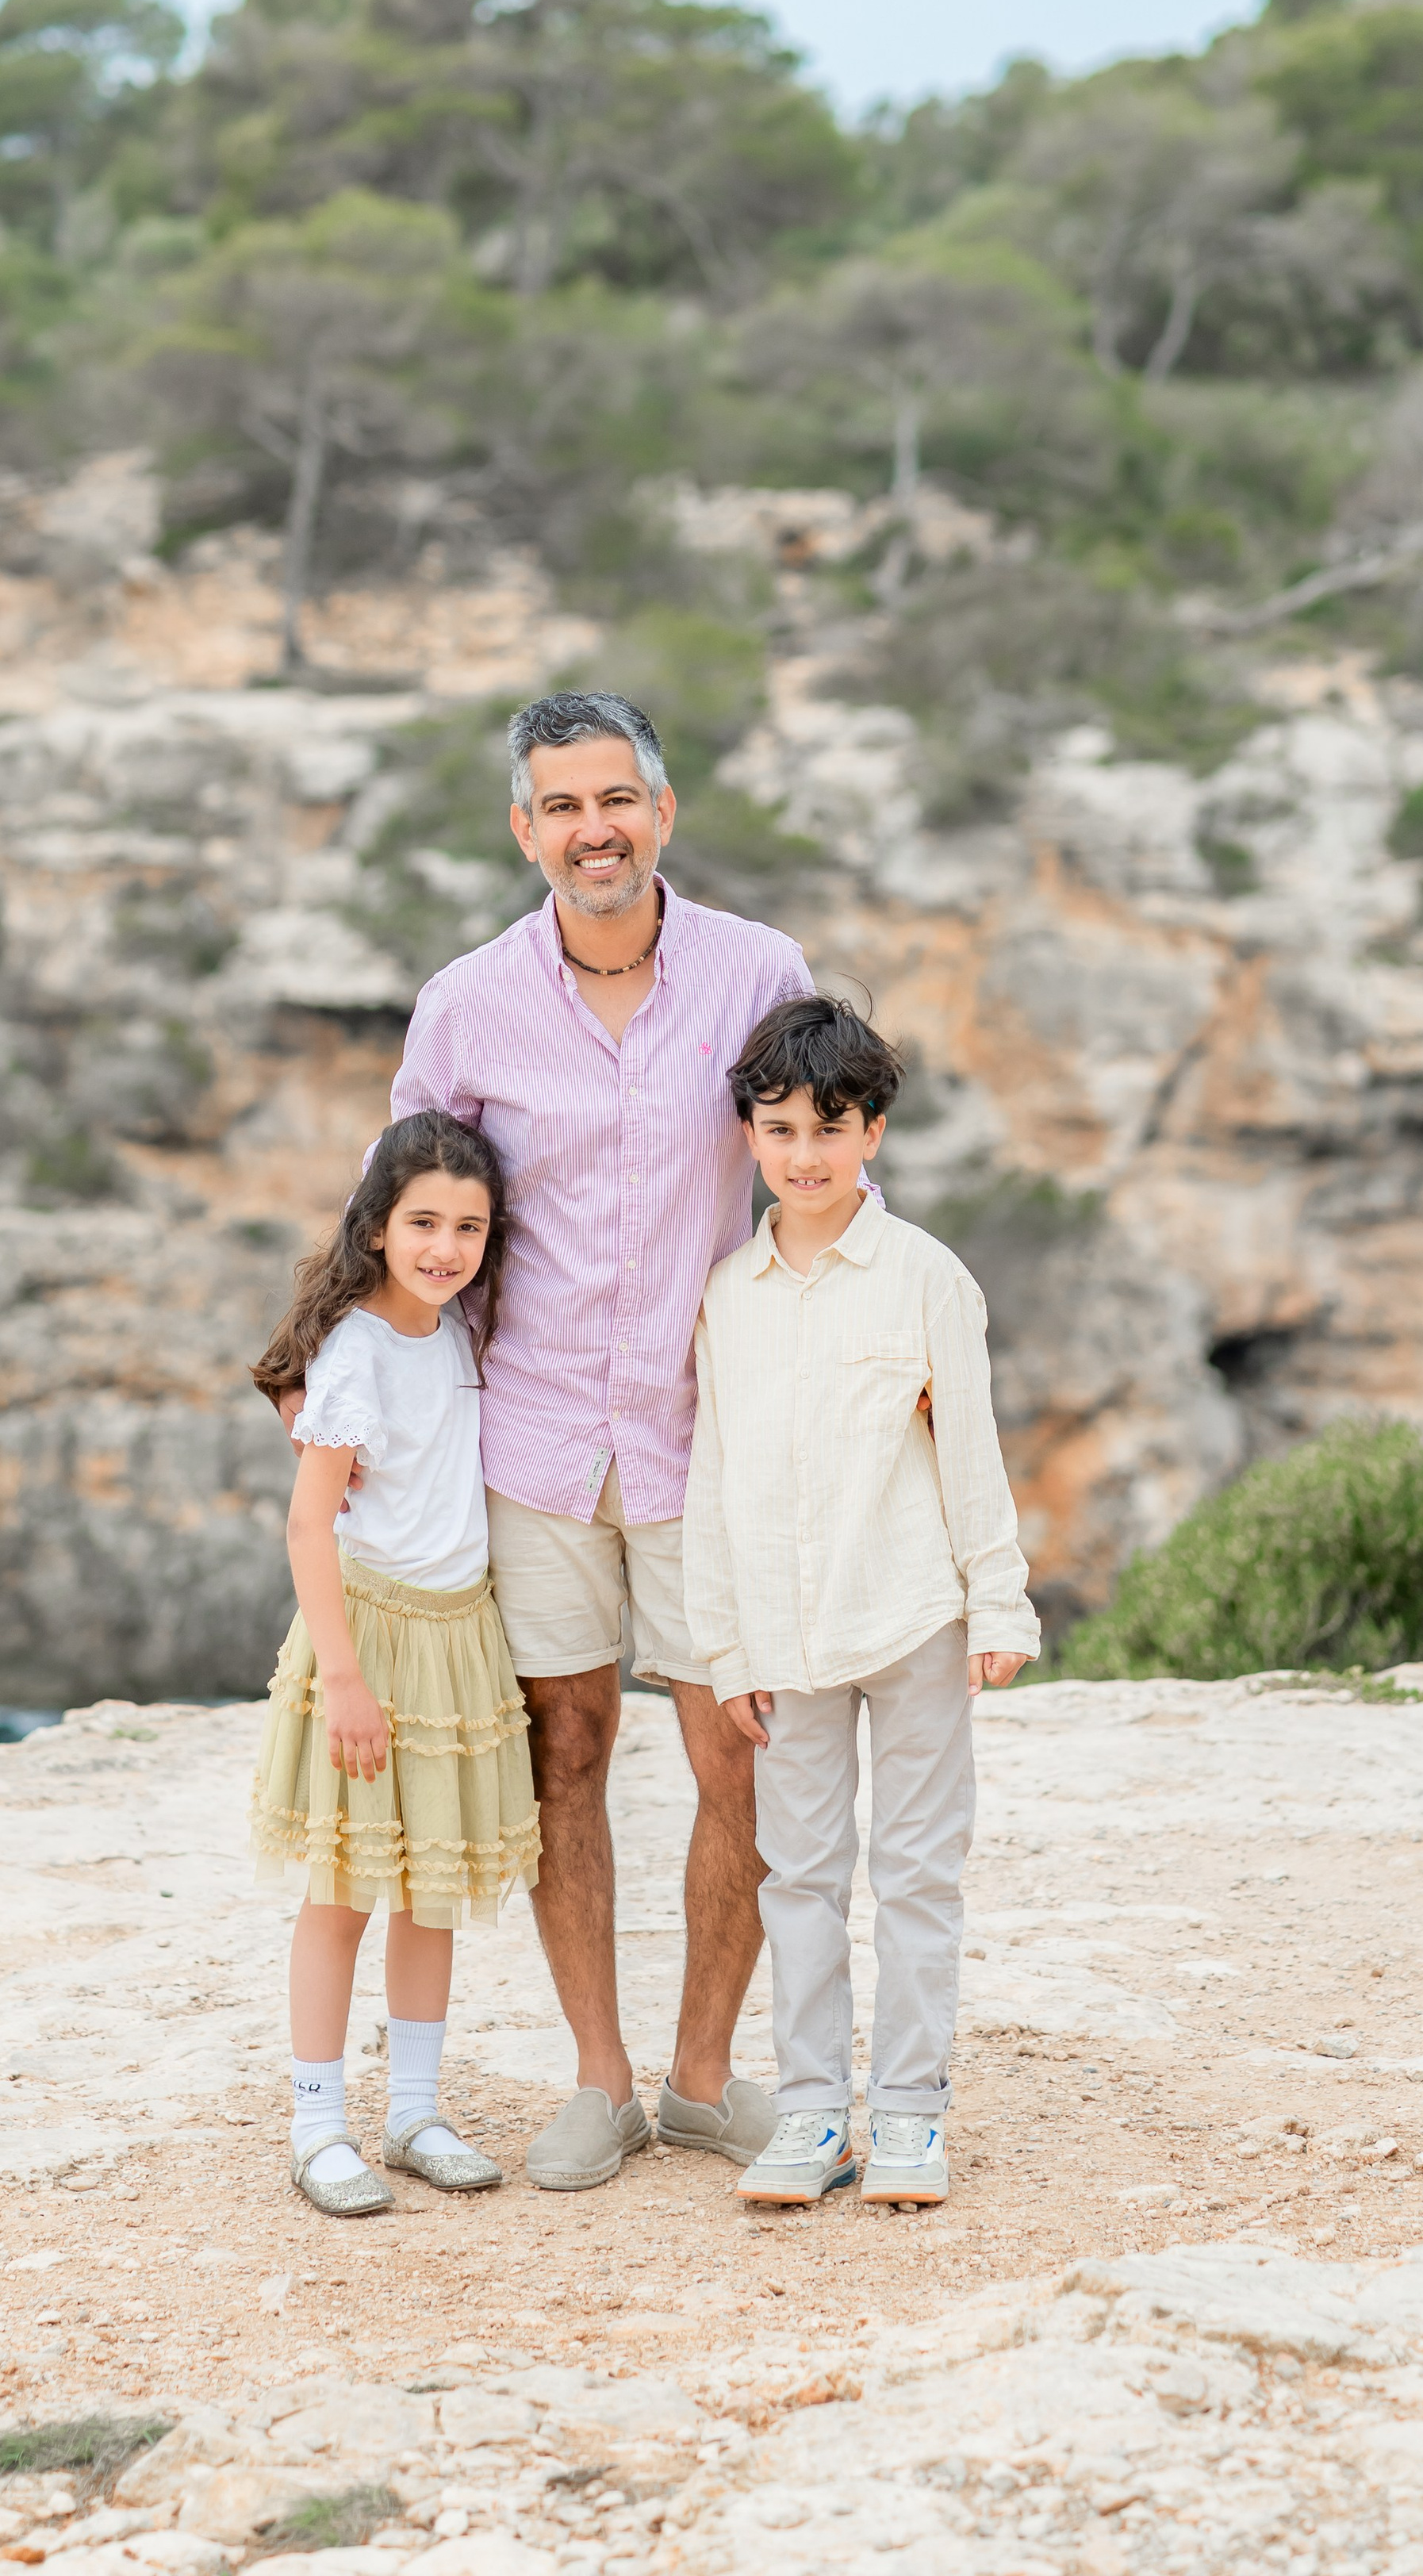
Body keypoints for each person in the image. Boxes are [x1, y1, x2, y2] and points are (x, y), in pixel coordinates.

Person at [384, 689, 819, 2193]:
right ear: (525, 831)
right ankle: (600, 2076)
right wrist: (346, 1380)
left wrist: (881, 1342)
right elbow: (407, 1215)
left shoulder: (757, 968)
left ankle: (702, 2077)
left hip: (716, 1435)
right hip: (537, 1436)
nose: (594, 829)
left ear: (664, 809)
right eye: (562, 807)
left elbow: (811, 1161)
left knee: (741, 1760)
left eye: (616, 799)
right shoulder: (466, 1003)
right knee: (564, 1752)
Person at [682, 996, 1039, 2209]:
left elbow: (970, 1449)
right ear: (748, 1134)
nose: (805, 1153)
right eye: (780, 1128)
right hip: (783, 1634)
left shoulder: (927, 1278)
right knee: (800, 1874)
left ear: (874, 1131)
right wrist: (722, 1643)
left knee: (919, 1870)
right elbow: (714, 1472)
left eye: (831, 1127)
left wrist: (999, 1605)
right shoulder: (729, 1293)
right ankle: (812, 2113)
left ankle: (911, 2114)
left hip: (912, 1617)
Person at [249, 1111, 539, 2218]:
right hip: (368, 1638)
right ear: (378, 1226)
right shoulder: (360, 1350)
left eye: (468, 1225)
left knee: (433, 1893)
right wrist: (347, 1680)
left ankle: (414, 2110)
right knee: (343, 1889)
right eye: (423, 1219)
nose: (445, 1244)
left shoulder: (460, 1327)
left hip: (460, 1631)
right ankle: (318, 2121)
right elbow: (307, 1525)